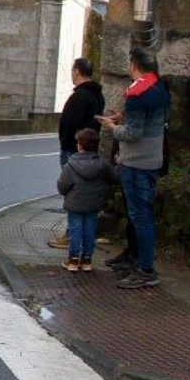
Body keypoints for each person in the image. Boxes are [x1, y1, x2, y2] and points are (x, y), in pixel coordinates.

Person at [97, 46, 170, 289]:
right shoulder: (158, 87)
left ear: (134, 65)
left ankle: (145, 269)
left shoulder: (138, 93)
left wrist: (111, 127)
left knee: (140, 217)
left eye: (129, 63)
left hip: (137, 163)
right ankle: (136, 259)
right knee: (140, 215)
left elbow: (133, 133)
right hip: (150, 160)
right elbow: (148, 123)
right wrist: (124, 117)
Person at [48, 57, 106, 249]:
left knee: (72, 195)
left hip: (74, 150)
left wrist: (67, 142)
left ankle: (71, 235)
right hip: (89, 150)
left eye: (72, 70)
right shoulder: (98, 96)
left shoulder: (79, 96)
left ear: (77, 71)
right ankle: (81, 237)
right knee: (87, 196)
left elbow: (70, 124)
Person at [57, 127, 118, 273]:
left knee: (75, 230)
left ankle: (73, 260)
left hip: (75, 203)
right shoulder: (103, 164)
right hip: (94, 203)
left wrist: (65, 193)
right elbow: (114, 179)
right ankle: (87, 260)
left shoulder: (70, 165)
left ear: (79, 145)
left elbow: (62, 185)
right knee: (90, 230)